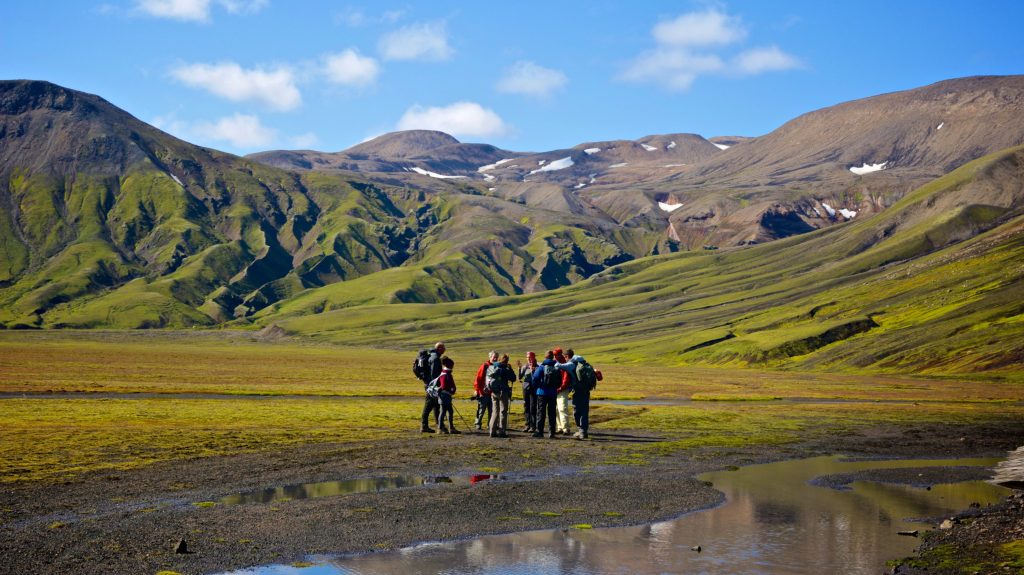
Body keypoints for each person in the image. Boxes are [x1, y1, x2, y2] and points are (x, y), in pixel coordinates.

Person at [555, 351, 597, 439]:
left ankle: (581, 431)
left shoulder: (571, 364)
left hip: (578, 391)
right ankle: (584, 431)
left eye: (565, 357)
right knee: (585, 411)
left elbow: (557, 366)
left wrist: (555, 360)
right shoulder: (583, 362)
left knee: (577, 411)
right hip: (586, 390)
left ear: (566, 356)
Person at [487, 353, 516, 438]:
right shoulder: (505, 369)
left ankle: (492, 431)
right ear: (507, 360)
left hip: (494, 391)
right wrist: (510, 369)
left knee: (494, 411)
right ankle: (502, 431)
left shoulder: (492, 367)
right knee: (503, 411)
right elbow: (513, 378)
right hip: (503, 392)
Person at [532, 351, 559, 438]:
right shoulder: (556, 367)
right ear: (552, 357)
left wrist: (537, 386)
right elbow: (560, 380)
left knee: (541, 412)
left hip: (542, 392)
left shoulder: (541, 367)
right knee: (552, 413)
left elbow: (535, 378)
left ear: (545, 357)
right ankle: (552, 432)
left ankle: (539, 432)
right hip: (553, 393)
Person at [420, 342, 445, 433]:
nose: (444, 349)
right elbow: (435, 375)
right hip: (432, 386)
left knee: (436, 406)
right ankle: (424, 426)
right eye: (443, 348)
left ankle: (439, 425)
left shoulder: (432, 356)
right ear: (439, 348)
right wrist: (438, 386)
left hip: (430, 385)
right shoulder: (435, 358)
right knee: (429, 405)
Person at [435, 357, 460, 434]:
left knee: (446, 411)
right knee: (445, 412)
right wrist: (451, 390)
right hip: (445, 396)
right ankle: (447, 428)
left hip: (444, 396)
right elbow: (444, 386)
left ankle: (445, 427)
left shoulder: (444, 373)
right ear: (450, 365)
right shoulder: (446, 374)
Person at [473, 351, 496, 430]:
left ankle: (490, 424)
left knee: (491, 410)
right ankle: (478, 423)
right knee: (481, 409)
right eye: (494, 357)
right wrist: (478, 390)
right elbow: (478, 378)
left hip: (493, 392)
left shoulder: (497, 366)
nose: (495, 358)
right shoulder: (485, 366)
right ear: (490, 357)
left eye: (497, 357)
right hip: (484, 391)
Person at [517, 352, 538, 433]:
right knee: (526, 406)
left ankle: (533, 426)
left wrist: (533, 371)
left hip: (533, 389)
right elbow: (520, 377)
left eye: (530, 357)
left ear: (533, 357)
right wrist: (519, 368)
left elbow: (537, 378)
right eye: (527, 357)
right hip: (525, 388)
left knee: (533, 407)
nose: (528, 358)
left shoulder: (537, 366)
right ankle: (527, 425)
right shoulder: (525, 366)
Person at [553, 347, 573, 435]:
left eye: (556, 355)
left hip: (562, 389)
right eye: (554, 355)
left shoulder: (563, 364)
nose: (555, 356)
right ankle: (560, 427)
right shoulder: (556, 363)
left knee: (562, 408)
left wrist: (561, 388)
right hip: (557, 389)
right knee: (557, 409)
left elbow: (566, 378)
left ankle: (565, 428)